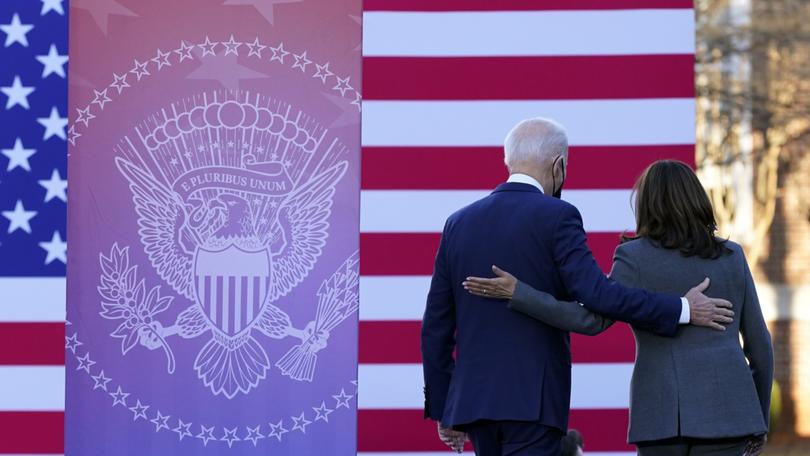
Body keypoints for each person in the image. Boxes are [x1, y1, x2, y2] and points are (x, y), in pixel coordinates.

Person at [421, 118, 735, 456]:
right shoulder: (558, 215)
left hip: (474, 404)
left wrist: (444, 405)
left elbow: (436, 325)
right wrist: (682, 309)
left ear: (508, 161)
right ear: (558, 165)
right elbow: (598, 295)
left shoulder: (458, 223)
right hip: (533, 403)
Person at [463, 160, 774, 456]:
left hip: (660, 418)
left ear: (646, 203)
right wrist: (758, 420)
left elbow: (589, 320)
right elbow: (760, 349)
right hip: (730, 415)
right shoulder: (732, 256)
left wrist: (522, 294)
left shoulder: (634, 257)